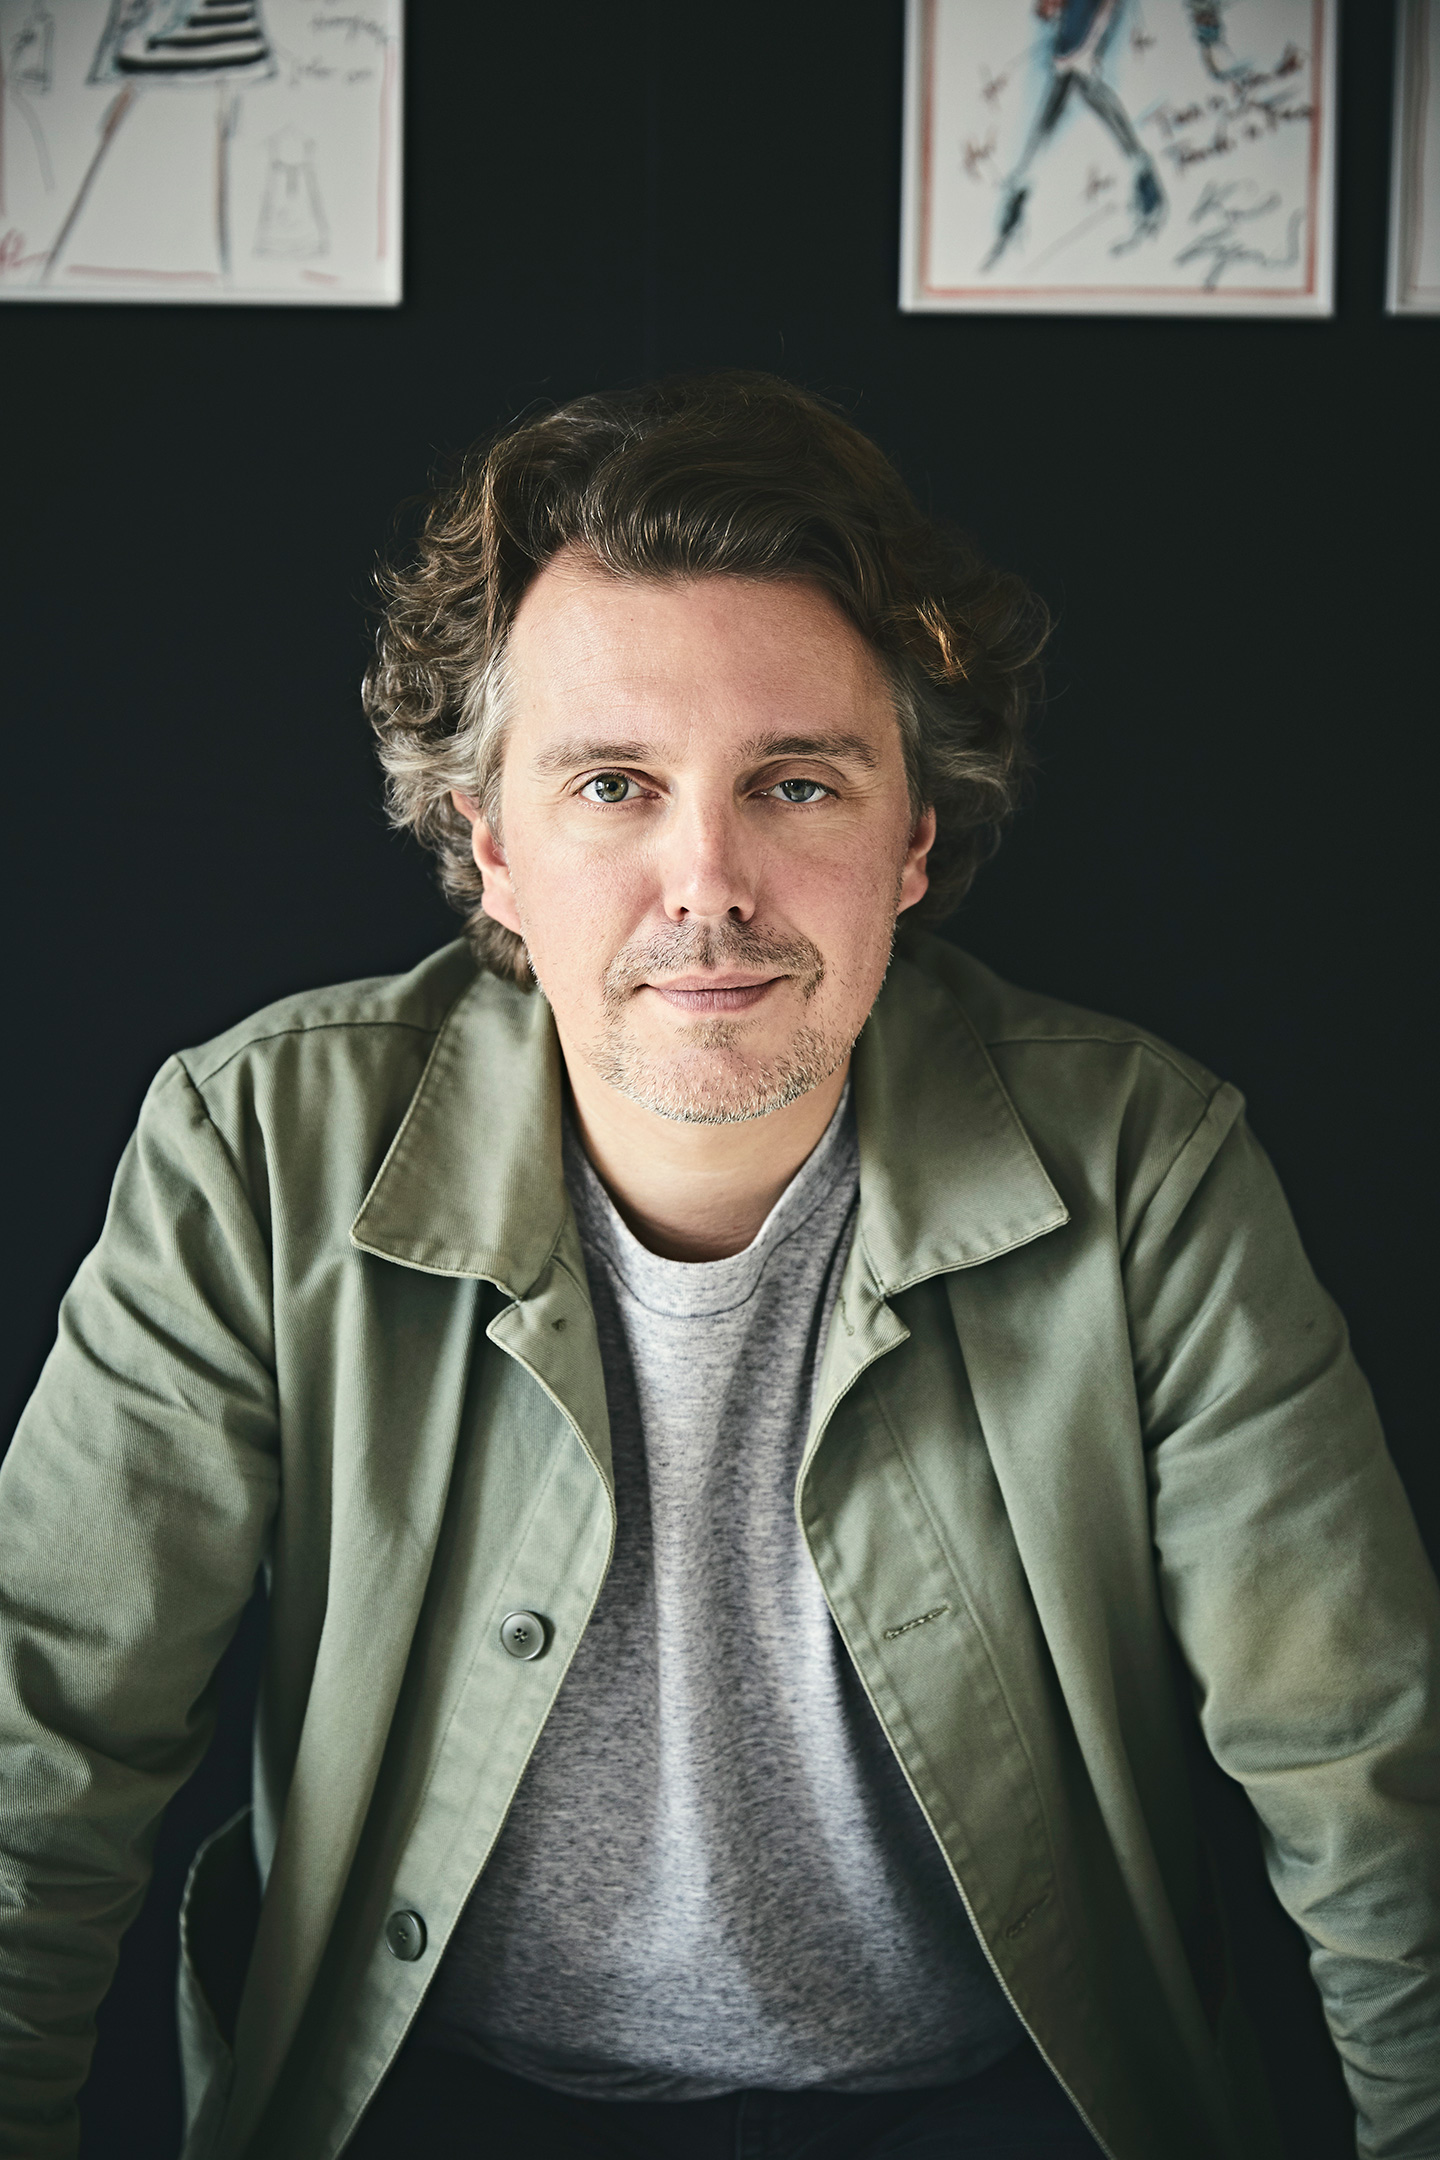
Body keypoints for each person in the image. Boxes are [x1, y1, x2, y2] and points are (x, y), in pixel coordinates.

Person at [0, 373, 1435, 2160]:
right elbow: (41, 1749)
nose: (709, 881)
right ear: (494, 846)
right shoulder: (257, 1149)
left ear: (912, 839)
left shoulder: (1148, 1167)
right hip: (431, 2101)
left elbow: (1367, 1770)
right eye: (614, 784)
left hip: (992, 2106)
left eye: (796, 782)